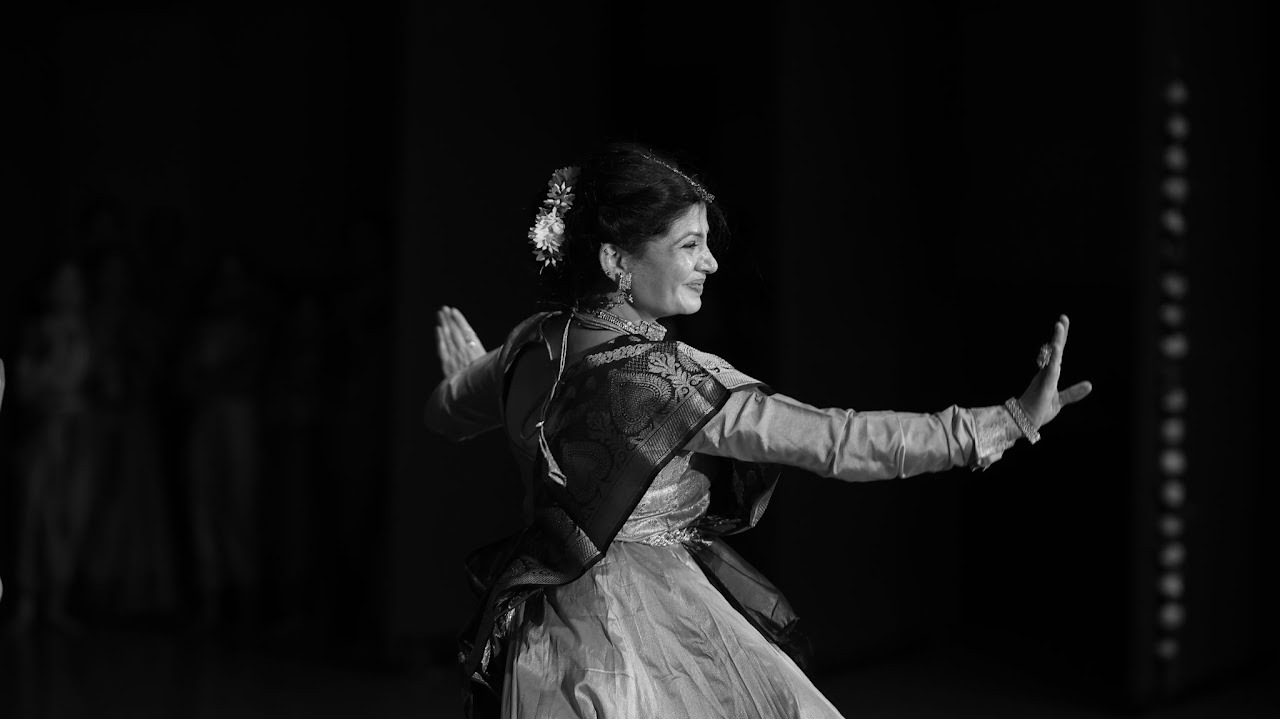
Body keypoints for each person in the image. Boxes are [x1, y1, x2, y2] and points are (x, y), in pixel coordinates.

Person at [425, 143, 1092, 718]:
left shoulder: (526, 346)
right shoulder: (673, 382)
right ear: (616, 260)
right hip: (648, 630)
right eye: (690, 245)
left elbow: (447, 413)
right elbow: (837, 441)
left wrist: (466, 380)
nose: (711, 262)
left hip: (548, 639)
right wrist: (1005, 422)